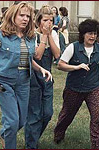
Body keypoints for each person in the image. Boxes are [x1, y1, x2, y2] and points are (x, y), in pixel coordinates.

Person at [0, 2, 52, 149]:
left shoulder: (30, 37)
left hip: (24, 83)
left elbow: (29, 60)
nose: (25, 19)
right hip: (4, 83)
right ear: (13, 16)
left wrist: (41, 69)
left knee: (21, 121)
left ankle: (4, 133)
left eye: (28, 16)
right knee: (13, 122)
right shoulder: (1, 36)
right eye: (22, 15)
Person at [54, 19, 99, 149]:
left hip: (93, 88)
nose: (93, 36)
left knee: (97, 118)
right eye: (90, 33)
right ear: (83, 34)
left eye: (95, 33)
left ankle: (97, 145)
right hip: (73, 89)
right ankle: (58, 135)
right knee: (66, 115)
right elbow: (60, 65)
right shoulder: (73, 47)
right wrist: (76, 67)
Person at [25, 5, 60, 149]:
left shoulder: (55, 34)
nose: (49, 23)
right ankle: (31, 145)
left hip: (47, 80)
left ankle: (32, 138)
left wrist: (50, 35)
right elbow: (37, 55)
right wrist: (44, 35)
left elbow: (57, 55)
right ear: (39, 21)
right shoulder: (32, 35)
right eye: (45, 20)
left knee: (47, 114)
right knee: (34, 115)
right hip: (33, 79)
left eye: (51, 20)